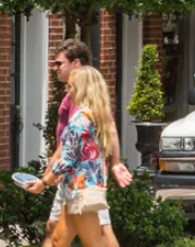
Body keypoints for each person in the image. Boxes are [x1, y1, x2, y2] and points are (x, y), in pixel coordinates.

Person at [42, 40, 133, 247]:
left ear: (75, 63)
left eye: (59, 63)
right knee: (56, 233)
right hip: (78, 180)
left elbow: (69, 148)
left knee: (100, 234)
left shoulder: (80, 106)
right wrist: (116, 161)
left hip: (81, 182)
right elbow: (110, 127)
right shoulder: (86, 101)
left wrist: (47, 177)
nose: (54, 68)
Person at [27, 66, 116, 247]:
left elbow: (68, 158)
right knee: (57, 241)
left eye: (72, 87)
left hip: (80, 192)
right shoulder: (96, 116)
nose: (69, 91)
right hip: (76, 189)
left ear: (83, 88)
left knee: (94, 243)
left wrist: (43, 183)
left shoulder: (81, 119)